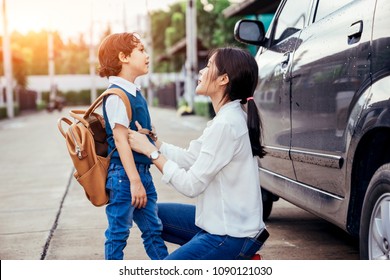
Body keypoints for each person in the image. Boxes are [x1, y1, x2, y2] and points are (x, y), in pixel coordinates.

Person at [128, 47, 269, 260]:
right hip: (217, 224)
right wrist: (155, 144)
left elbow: (191, 185)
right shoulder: (225, 119)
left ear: (223, 79)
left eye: (209, 66)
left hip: (230, 236)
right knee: (148, 212)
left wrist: (151, 153)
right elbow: (192, 158)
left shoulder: (226, 125)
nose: (201, 72)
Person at [97, 32, 168, 260]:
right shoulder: (117, 95)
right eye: (141, 50)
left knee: (153, 231)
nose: (147, 55)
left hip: (141, 174)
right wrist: (135, 182)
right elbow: (120, 140)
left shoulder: (133, 92)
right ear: (124, 57)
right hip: (125, 178)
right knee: (118, 234)